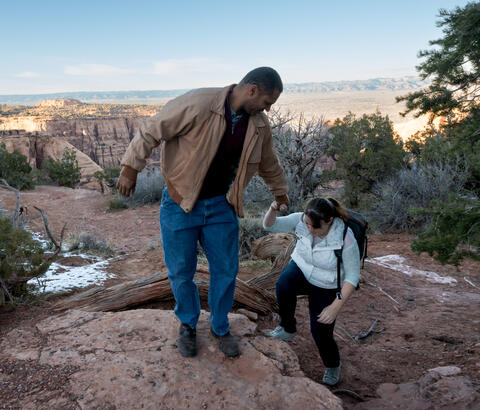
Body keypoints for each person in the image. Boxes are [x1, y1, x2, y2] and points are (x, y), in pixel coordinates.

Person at [116, 67, 289, 358]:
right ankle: (187, 324)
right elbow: (152, 129)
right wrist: (130, 168)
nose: (267, 109)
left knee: (226, 270)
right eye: (267, 102)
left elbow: (268, 161)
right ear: (252, 90)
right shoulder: (199, 103)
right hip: (180, 202)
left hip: (221, 204)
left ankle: (220, 326)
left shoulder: (258, 125)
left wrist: (279, 190)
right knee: (181, 271)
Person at [263, 197, 360, 385]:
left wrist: (335, 306)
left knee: (321, 331)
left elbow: (352, 276)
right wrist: (273, 208)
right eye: (307, 224)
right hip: (302, 267)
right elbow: (270, 226)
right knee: (283, 285)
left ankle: (332, 365)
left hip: (326, 282)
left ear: (329, 220)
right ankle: (287, 328)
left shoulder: (345, 238)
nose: (310, 230)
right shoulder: (302, 219)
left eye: (316, 227)